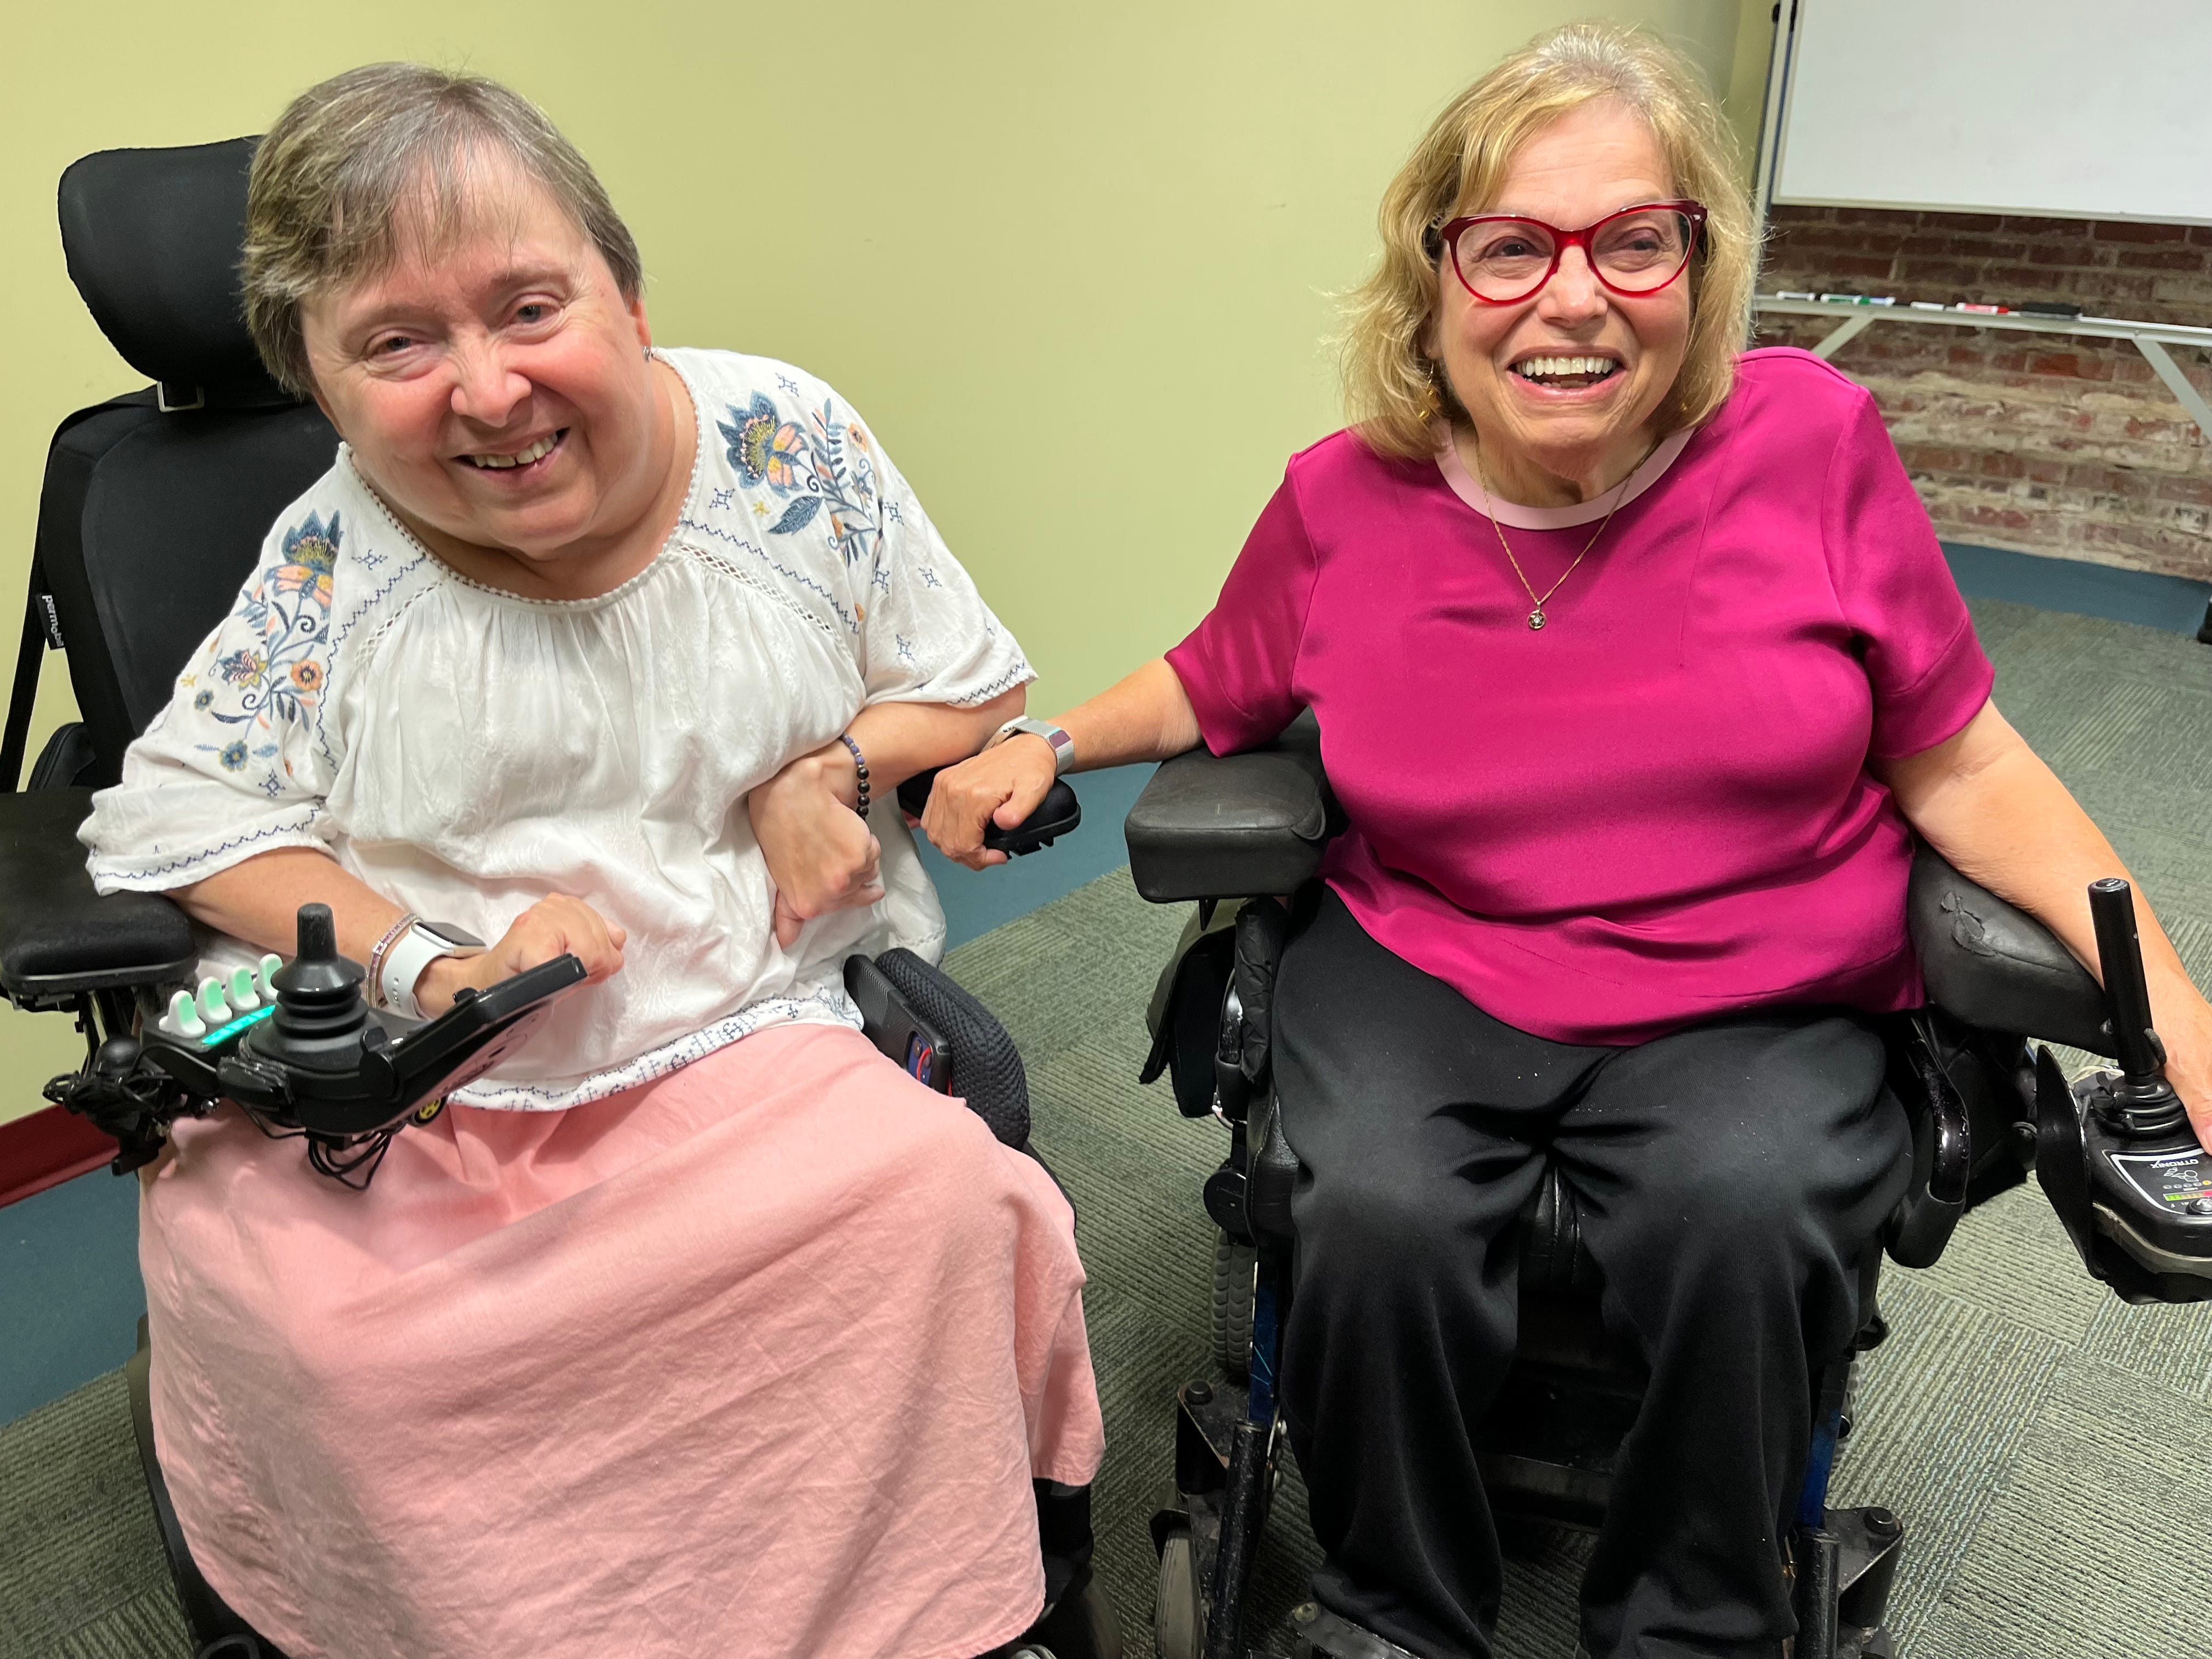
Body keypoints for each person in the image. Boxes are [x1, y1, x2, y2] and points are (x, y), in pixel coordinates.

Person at [923, 22, 2212, 1659]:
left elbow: (1964, 763)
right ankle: (1398, 1613)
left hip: (1758, 983)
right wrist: (1042, 742)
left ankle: (1697, 1625)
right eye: (1513, 246)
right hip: (1431, 952)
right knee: (1371, 1212)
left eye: (1634, 241)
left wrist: (2186, 1031)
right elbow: (1214, 675)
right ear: (1437, 275)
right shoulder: (1345, 496)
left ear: (1699, 266)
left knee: (1744, 1210)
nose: (1574, 297)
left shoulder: (1810, 447)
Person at [81, 63, 1114, 1659]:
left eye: (528, 308)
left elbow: (970, 680)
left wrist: (828, 769)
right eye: (397, 345)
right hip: (432, 1072)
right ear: (323, 386)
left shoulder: (782, 447)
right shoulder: (334, 554)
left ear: (626, 299)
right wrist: (432, 961)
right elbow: (188, 820)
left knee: (932, 1208)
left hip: (738, 1021)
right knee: (340, 1348)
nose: (489, 392)